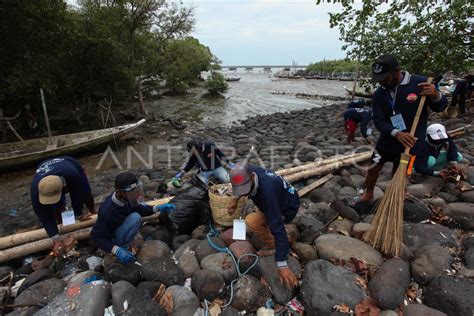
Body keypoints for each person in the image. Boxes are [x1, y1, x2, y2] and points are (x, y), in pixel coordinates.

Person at [356, 55, 447, 204]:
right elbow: (378, 120)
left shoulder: (420, 84)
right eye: (379, 78)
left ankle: (396, 195)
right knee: (373, 168)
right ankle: (369, 194)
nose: (382, 81)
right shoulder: (380, 93)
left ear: (396, 71)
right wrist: (396, 133)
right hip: (388, 140)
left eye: (385, 77)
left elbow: (441, 106)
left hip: (411, 142)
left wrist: (436, 95)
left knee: (400, 172)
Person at [228, 163, 300, 288]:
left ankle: (277, 246)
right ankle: (280, 241)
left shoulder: (267, 194)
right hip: (283, 196)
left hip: (286, 207)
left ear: (252, 178)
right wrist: (235, 199)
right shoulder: (250, 170)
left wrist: (282, 265)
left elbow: (278, 228)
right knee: (262, 216)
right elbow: (241, 183)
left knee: (253, 221)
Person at [91, 172, 176, 263]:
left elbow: (139, 209)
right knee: (135, 217)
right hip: (112, 237)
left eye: (135, 190)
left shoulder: (127, 197)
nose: (135, 194)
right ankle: (123, 247)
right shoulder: (108, 211)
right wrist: (116, 250)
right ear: (119, 192)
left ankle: (128, 241)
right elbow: (96, 236)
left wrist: (157, 208)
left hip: (120, 226)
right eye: (130, 191)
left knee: (137, 213)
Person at [31, 156, 96, 256]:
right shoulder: (36, 191)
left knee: (86, 192)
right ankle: (63, 223)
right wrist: (56, 239)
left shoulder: (73, 175)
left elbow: (78, 195)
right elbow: (44, 217)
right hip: (46, 168)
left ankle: (93, 213)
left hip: (69, 164)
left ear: (63, 187)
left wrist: (78, 214)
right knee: (56, 206)